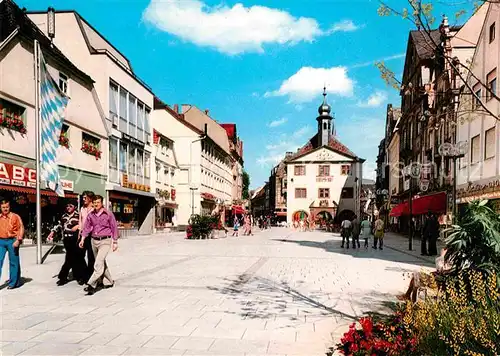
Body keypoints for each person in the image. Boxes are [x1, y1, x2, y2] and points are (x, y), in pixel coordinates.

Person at [79, 195, 119, 296]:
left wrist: (115, 242)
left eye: (98, 202)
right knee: (101, 263)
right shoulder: (90, 215)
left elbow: (114, 227)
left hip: (105, 241)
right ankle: (110, 281)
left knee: (97, 263)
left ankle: (91, 284)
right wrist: (82, 239)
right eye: (94, 202)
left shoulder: (108, 214)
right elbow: (87, 228)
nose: (96, 204)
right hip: (94, 241)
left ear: (102, 203)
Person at [48, 202, 86, 286]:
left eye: (70, 206)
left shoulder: (78, 215)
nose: (68, 207)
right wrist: (53, 232)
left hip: (76, 238)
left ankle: (71, 277)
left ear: (74, 207)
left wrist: (79, 227)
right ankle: (76, 276)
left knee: (76, 258)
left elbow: (84, 224)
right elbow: (59, 225)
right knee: (70, 257)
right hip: (66, 239)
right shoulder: (63, 216)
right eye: (67, 206)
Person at [0, 199, 24, 289]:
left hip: (12, 241)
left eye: (7, 207)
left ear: (9, 207)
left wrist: (18, 240)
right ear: (0, 208)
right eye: (3, 207)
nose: (5, 209)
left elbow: (21, 228)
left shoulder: (15, 216)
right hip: (1, 241)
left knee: (14, 262)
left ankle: (13, 283)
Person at [79, 191, 95, 282]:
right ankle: (83, 274)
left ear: (90, 198)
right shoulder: (82, 208)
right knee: (79, 255)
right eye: (83, 198)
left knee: (91, 257)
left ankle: (89, 277)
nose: (83, 199)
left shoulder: (94, 208)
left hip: (92, 235)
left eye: (85, 198)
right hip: (83, 235)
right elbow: (80, 221)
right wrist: (79, 235)